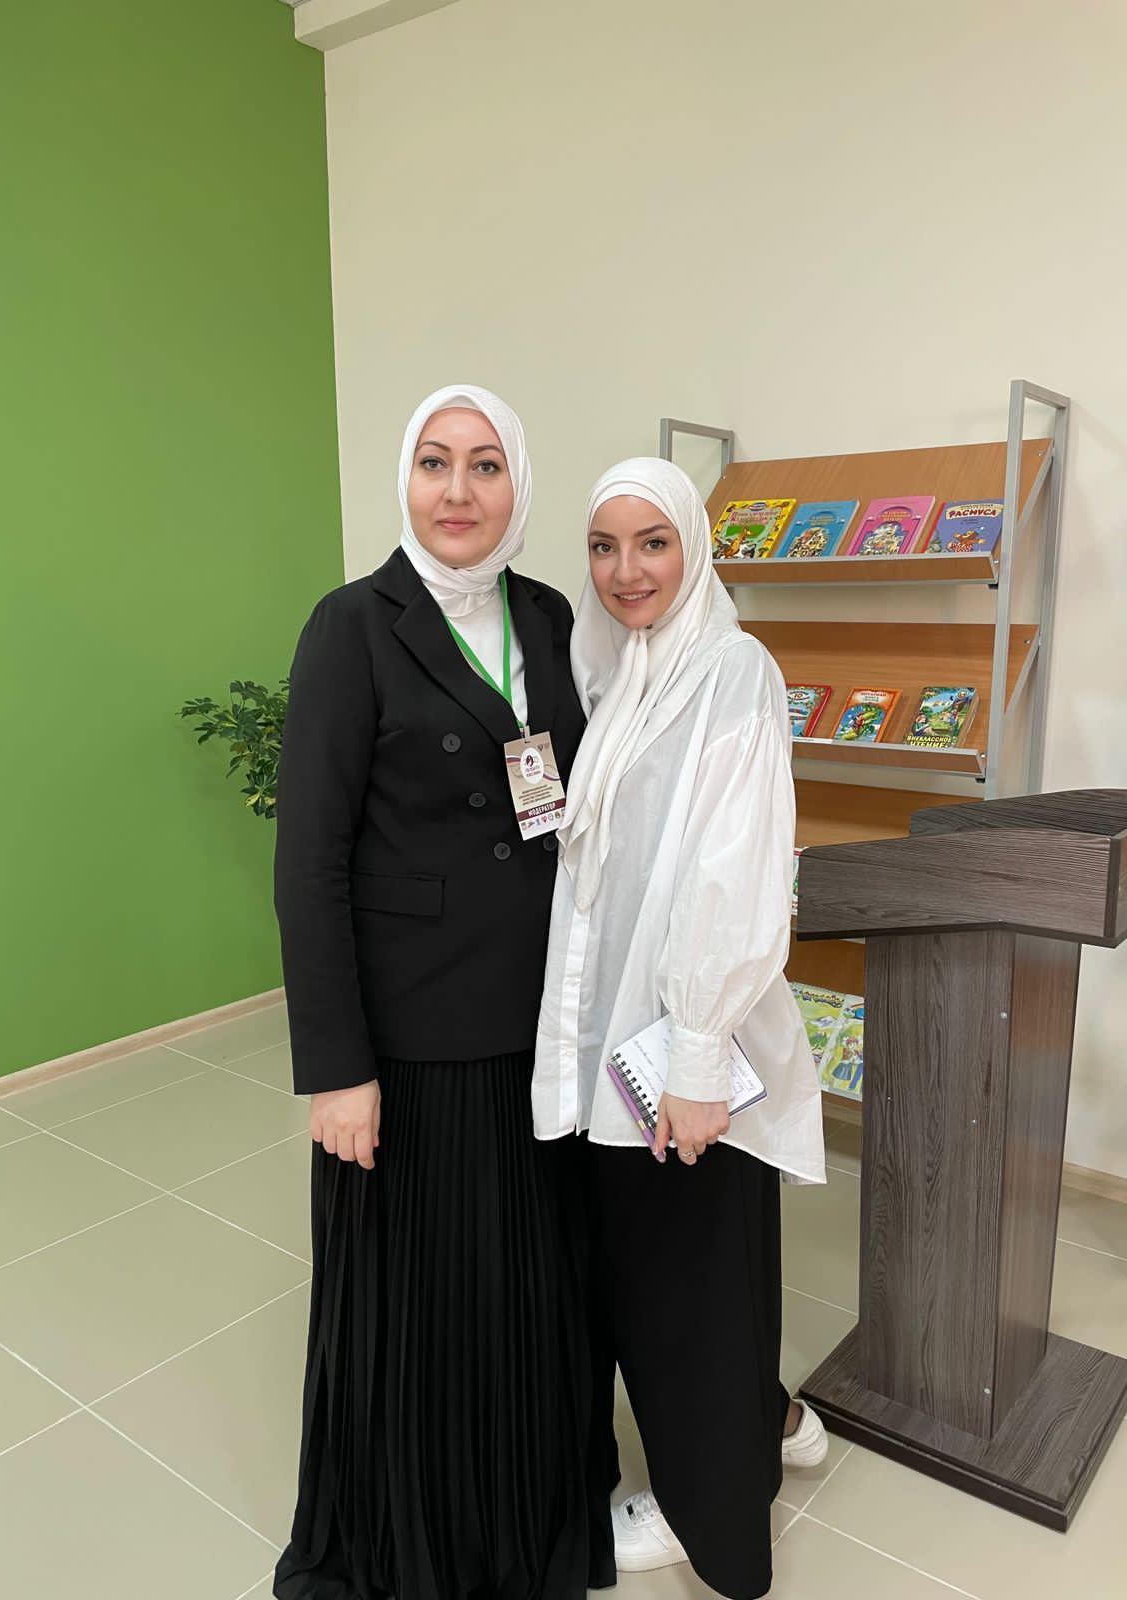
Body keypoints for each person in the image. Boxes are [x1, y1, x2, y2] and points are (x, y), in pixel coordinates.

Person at [272, 385, 603, 1600]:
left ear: (519, 484)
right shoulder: (352, 625)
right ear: (405, 480)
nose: (458, 491)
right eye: (433, 462)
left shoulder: (550, 614)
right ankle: (407, 1549)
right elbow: (309, 863)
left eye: (484, 465)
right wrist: (336, 1068)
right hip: (409, 1037)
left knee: (524, 1289)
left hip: (537, 1020)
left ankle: (522, 1525)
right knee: (419, 1308)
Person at [533, 457, 829, 1600]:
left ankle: (710, 1508)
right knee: (695, 1269)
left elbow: (735, 870)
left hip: (683, 1051)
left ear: (693, 548)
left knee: (683, 1286)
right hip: (625, 1036)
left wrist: (699, 1053)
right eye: (604, 546)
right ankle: (773, 1422)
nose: (626, 570)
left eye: (651, 542)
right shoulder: (621, 670)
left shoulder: (730, 668)